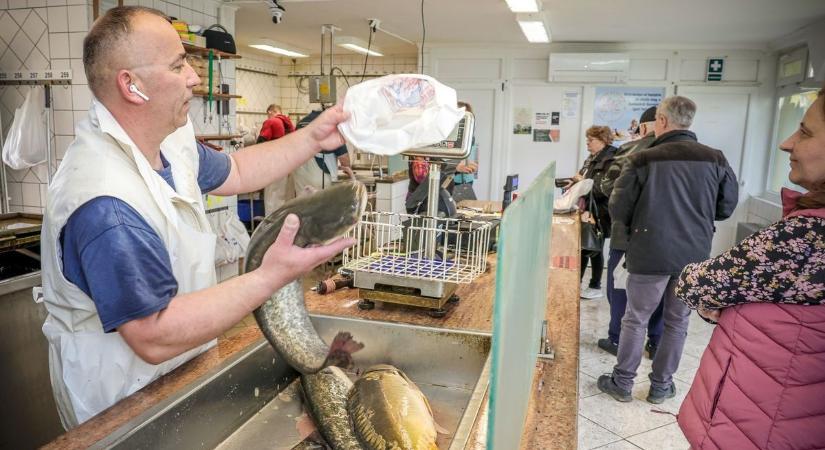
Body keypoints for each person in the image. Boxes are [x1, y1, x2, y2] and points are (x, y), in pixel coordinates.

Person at [39, 6, 355, 429]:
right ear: (132, 85)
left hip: (182, 372)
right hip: (122, 403)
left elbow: (239, 171)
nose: (194, 76)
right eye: (177, 65)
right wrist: (268, 278)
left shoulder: (168, 143)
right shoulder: (106, 203)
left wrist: (314, 137)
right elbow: (153, 334)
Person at [676, 85, 825, 450]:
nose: (787, 143)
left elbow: (694, 284)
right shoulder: (716, 157)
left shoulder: (806, 236)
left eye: (805, 132)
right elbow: (726, 206)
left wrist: (729, 299)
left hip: (761, 422)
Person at [597, 96, 738, 404]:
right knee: (678, 321)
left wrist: (643, 221)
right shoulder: (716, 158)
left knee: (636, 319)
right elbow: (726, 207)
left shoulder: (643, 159)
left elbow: (619, 207)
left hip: (649, 250)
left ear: (661, 121)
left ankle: (622, 383)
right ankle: (661, 386)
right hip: (694, 254)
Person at [592, 107, 664, 358]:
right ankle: (655, 343)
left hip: (628, 236)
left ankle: (617, 338)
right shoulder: (693, 156)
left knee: (620, 288)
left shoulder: (630, 151)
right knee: (662, 294)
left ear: (643, 127)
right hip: (671, 239)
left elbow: (608, 188)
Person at [571, 125, 618, 299]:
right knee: (585, 247)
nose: (587, 144)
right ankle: (578, 284)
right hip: (588, 208)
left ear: (603, 141)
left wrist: (581, 181)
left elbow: (601, 189)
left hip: (601, 210)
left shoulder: (612, 159)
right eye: (587, 140)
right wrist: (574, 182)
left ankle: (595, 286)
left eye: (591, 140)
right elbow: (584, 179)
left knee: (594, 248)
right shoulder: (592, 158)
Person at [291, 108, 354, 195]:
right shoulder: (330, 126)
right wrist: (347, 169)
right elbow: (344, 158)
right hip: (320, 176)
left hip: (299, 176)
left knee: (303, 206)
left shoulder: (300, 123)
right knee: (322, 206)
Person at [258, 104, 296, 214]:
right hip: (289, 165)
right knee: (286, 198)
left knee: (272, 199)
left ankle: (273, 228)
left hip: (274, 165)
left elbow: (260, 144)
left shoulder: (271, 122)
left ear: (270, 111)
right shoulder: (289, 125)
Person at [452, 101, 480, 202]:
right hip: (450, 183)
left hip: (467, 181)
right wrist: (456, 168)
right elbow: (438, 165)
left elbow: (469, 156)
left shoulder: (470, 136)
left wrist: (473, 166)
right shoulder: (448, 137)